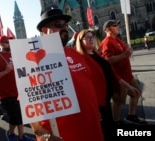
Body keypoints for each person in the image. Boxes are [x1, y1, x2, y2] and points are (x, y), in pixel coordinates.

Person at [30, 8, 104, 141]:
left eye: (65, 24)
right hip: (62, 135)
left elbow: (87, 85)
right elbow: (30, 106)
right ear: (44, 30)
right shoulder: (35, 62)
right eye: (58, 25)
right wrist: (44, 134)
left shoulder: (76, 54)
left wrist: (95, 109)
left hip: (92, 129)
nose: (64, 28)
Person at [75, 29, 141, 140]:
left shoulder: (97, 55)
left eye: (92, 36)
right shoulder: (81, 59)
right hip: (97, 104)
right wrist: (94, 108)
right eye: (87, 37)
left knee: (109, 128)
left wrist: (129, 86)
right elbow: (84, 86)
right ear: (80, 41)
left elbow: (114, 74)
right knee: (104, 131)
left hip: (106, 100)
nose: (91, 39)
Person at [99, 20, 147, 125]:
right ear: (108, 29)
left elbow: (125, 51)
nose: (118, 27)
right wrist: (125, 54)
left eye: (117, 25)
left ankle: (131, 115)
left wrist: (129, 51)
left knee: (137, 92)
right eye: (115, 25)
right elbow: (109, 60)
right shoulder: (107, 42)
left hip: (127, 75)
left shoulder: (117, 39)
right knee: (118, 100)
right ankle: (116, 121)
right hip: (118, 77)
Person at [0, 36, 34, 141]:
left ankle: (15, 134)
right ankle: (17, 135)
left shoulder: (17, 54)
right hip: (6, 93)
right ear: (2, 44)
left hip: (20, 91)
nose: (11, 43)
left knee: (18, 116)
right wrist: (6, 71)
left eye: (12, 41)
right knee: (16, 116)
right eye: (8, 42)